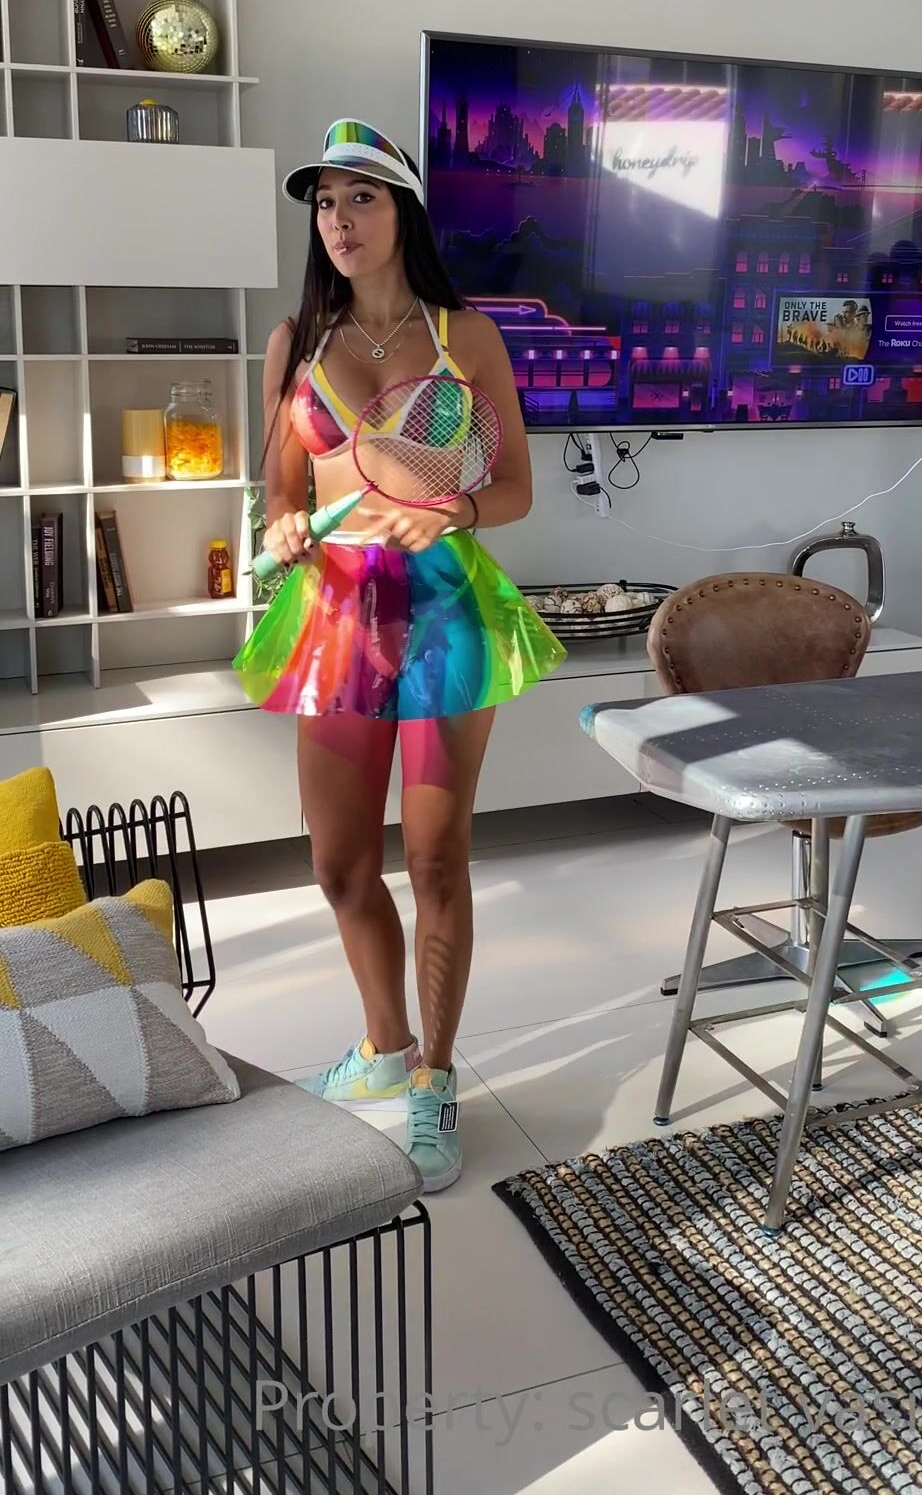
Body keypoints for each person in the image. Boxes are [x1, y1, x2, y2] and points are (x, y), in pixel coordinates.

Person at [234, 119, 565, 1190]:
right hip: (336, 620)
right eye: (325, 203)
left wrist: (452, 509)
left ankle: (435, 1076)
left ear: (404, 212)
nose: (339, 220)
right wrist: (287, 527)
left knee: (434, 862)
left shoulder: (467, 336)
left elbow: (513, 489)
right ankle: (382, 1045)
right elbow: (281, 493)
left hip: (443, 617)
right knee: (338, 864)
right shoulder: (294, 343)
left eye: (362, 198)